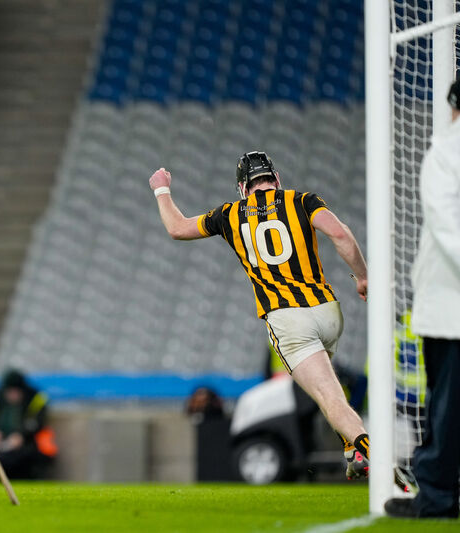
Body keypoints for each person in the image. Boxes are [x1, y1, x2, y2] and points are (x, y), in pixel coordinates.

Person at [149, 151, 373, 481]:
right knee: (331, 391)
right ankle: (351, 446)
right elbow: (340, 233)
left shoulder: (229, 214)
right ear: (276, 179)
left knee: (328, 395)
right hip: (328, 311)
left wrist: (161, 190)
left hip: (287, 319)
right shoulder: (303, 200)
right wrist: (362, 276)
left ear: (243, 187)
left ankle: (372, 454)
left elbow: (177, 228)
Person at [385, 79, 460, 519]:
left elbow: (446, 227)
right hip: (447, 304)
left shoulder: (446, 153)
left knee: (448, 406)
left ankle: (436, 495)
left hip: (450, 306)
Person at [0, 369, 57, 479]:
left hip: (27, 442)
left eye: (15, 392)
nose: (12, 395)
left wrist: (21, 436)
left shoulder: (36, 399)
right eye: (9, 392)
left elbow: (37, 423)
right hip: (0, 441)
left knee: (29, 456)